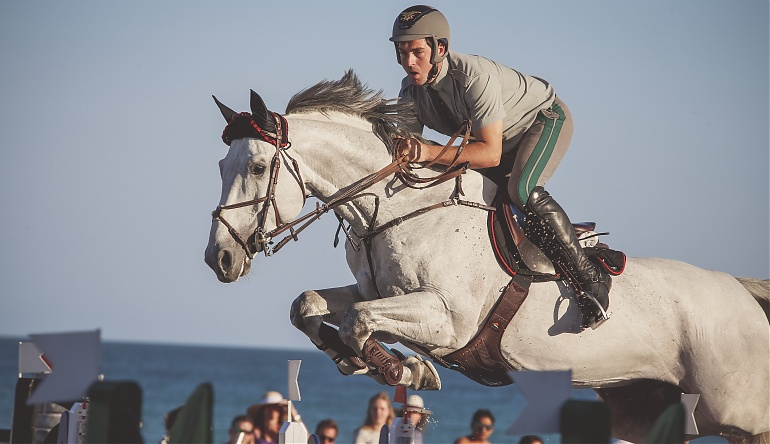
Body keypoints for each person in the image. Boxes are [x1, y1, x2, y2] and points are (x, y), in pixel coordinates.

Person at [390, 5, 611, 329]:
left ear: (440, 49)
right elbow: (411, 157)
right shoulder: (409, 92)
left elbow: (489, 154)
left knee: (521, 190)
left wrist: (426, 151)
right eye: (402, 52)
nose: (409, 62)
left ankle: (591, 281)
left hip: (543, 121)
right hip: (497, 143)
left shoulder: (472, 77)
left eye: (417, 52)